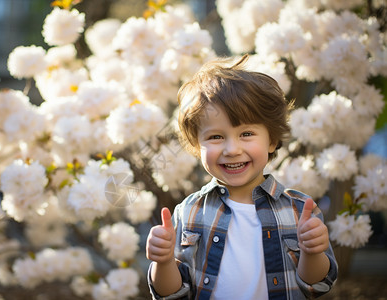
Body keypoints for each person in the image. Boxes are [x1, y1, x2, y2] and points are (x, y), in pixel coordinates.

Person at [145, 55, 338, 300]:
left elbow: (317, 286)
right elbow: (171, 294)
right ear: (197, 144)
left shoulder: (299, 211)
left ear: (272, 140)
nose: (232, 149)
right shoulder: (190, 211)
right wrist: (162, 263)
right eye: (215, 137)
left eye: (246, 133)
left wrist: (313, 253)